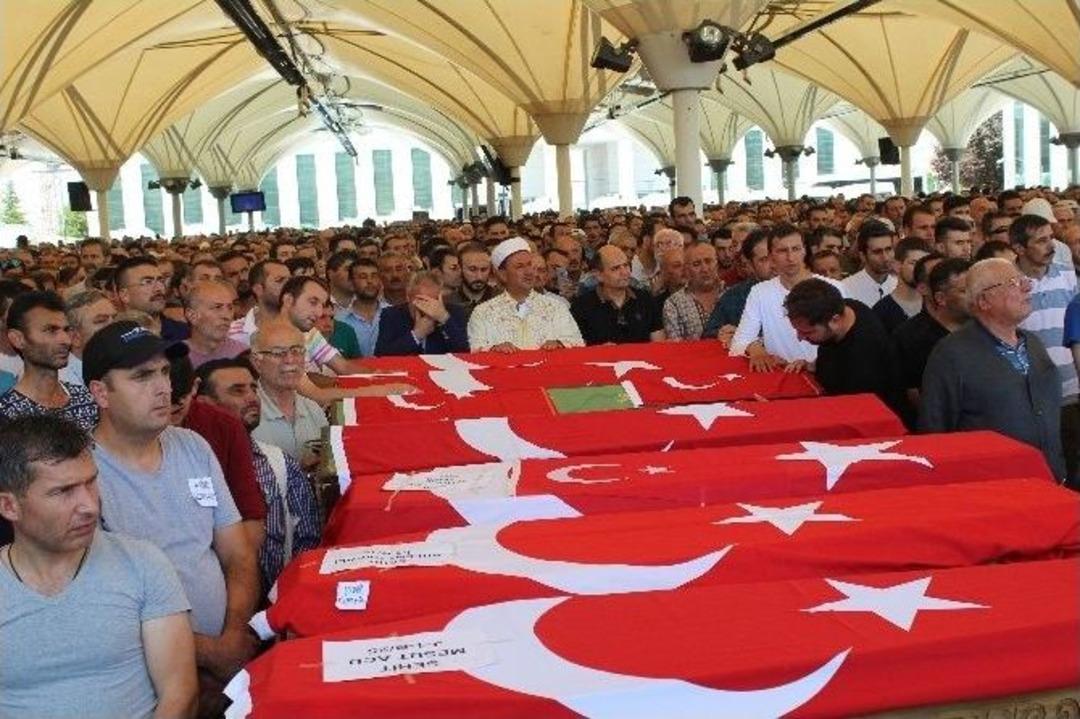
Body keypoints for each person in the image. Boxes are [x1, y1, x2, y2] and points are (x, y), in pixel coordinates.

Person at [83, 321, 259, 710]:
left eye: (164, 372)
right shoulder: (81, 476)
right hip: (149, 681)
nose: (164, 387)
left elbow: (237, 553)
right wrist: (211, 654)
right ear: (101, 393)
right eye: (142, 376)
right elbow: (106, 609)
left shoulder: (193, 446)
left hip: (226, 662)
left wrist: (232, 636)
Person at [0, 415, 197, 719]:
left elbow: (180, 693)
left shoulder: (143, 563)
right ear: (9, 506)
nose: (90, 505)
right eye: (63, 491)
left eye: (91, 482)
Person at [919, 258, 1066, 482]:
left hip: (1048, 480)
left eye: (1023, 280)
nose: (1027, 287)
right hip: (992, 488)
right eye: (1012, 283)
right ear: (984, 301)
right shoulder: (951, 354)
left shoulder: (1033, 343)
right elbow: (934, 429)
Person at [196, 359, 321, 593]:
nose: (252, 397)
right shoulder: (187, 468)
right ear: (204, 403)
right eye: (238, 391)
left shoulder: (280, 463)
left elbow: (308, 543)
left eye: (254, 388)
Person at [1011, 214, 1079, 483]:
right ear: (1019, 248)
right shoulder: (1008, 282)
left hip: (1071, 389)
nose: (1051, 245)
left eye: (1051, 238)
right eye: (1041, 241)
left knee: (1073, 463)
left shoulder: (1067, 274)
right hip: (1032, 393)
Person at [730, 224, 845, 371]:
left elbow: (848, 338)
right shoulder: (759, 292)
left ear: (804, 251)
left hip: (826, 372)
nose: (790, 257)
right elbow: (739, 343)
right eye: (782, 251)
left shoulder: (835, 288)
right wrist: (755, 349)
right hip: (780, 375)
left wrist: (815, 365)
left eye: (796, 249)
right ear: (771, 257)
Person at [785, 278, 903, 412]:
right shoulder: (845, 306)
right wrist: (813, 365)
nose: (799, 338)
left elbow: (852, 409)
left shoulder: (864, 357)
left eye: (808, 332)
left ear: (835, 320)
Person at [0, 291, 98, 432]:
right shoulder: (7, 414)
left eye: (66, 330)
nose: (66, 340)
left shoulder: (85, 397)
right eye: (51, 330)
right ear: (18, 339)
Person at [468, 237, 584, 352]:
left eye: (529, 265)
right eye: (520, 266)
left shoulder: (556, 307)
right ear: (503, 274)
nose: (529, 272)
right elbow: (475, 351)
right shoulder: (483, 313)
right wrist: (494, 350)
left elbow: (578, 345)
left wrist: (560, 344)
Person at [248, 321, 329, 468]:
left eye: (296, 351)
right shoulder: (246, 413)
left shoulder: (313, 409)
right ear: (256, 362)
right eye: (278, 353)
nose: (290, 360)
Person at [571, 245, 664, 345]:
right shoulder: (582, 306)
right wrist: (597, 351)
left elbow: (659, 344)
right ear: (598, 275)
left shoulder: (645, 299)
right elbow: (578, 349)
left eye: (626, 265)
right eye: (615, 268)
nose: (624, 272)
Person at [705, 228, 774, 344]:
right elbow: (709, 335)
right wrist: (722, 334)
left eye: (776, 255)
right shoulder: (734, 297)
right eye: (764, 259)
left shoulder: (804, 289)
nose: (773, 264)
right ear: (751, 265)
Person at [375, 271, 469, 355]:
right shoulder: (390, 315)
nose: (427, 307)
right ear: (408, 296)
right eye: (421, 300)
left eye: (433, 301)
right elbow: (381, 354)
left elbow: (464, 352)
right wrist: (416, 335)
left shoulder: (455, 313)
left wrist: (444, 318)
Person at [114, 257, 189, 341]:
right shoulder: (112, 339)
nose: (159, 288)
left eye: (161, 280)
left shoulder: (185, 333)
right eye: (147, 282)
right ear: (125, 295)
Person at [663, 242, 722, 340]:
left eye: (708, 261)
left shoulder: (733, 294)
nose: (704, 269)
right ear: (687, 270)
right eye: (696, 264)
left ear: (717, 263)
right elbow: (676, 348)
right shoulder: (674, 303)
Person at [184, 280, 248, 368]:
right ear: (192, 316)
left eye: (230, 308)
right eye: (217, 307)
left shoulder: (244, 355)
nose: (227, 316)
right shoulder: (172, 358)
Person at [59, 289, 116, 386]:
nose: (115, 326)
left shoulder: (125, 362)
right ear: (74, 337)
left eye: (115, 318)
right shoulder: (64, 383)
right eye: (101, 321)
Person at [874, 238, 931, 333]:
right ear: (897, 266)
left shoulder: (936, 306)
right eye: (914, 263)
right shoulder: (881, 312)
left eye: (924, 264)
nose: (920, 270)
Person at [337, 258, 389, 358]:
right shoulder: (340, 320)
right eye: (363, 277)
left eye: (374, 276)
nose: (370, 281)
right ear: (351, 283)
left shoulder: (394, 315)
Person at [842, 219, 897, 307]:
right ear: (863, 256)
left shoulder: (899, 286)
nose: (885, 258)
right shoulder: (846, 289)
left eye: (888, 249)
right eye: (877, 252)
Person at [449, 243, 499, 319]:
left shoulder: (502, 300)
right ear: (460, 268)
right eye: (472, 269)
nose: (479, 276)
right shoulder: (448, 303)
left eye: (484, 269)